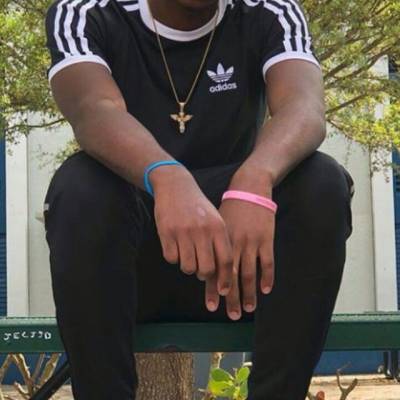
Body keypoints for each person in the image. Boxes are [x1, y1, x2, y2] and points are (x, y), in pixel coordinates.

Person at [43, 0, 355, 398]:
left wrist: (255, 180)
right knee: (81, 186)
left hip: (239, 272)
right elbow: (93, 109)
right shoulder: (86, 12)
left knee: (321, 181)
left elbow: (304, 107)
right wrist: (167, 177)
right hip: (130, 276)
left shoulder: (269, 10)